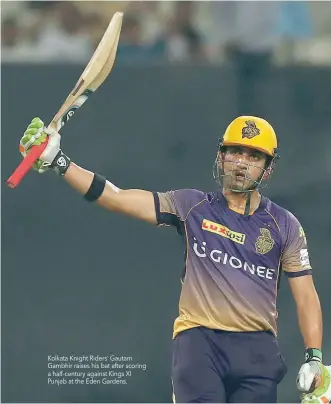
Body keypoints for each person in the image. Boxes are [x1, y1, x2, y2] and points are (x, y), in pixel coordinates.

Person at [19, 116, 330, 403]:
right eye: (235, 152)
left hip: (258, 352)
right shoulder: (191, 206)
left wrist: (314, 356)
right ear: (220, 156)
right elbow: (116, 196)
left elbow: (306, 297)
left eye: (254, 156)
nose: (242, 163)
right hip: (200, 343)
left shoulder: (284, 224)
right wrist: (60, 162)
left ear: (268, 167)